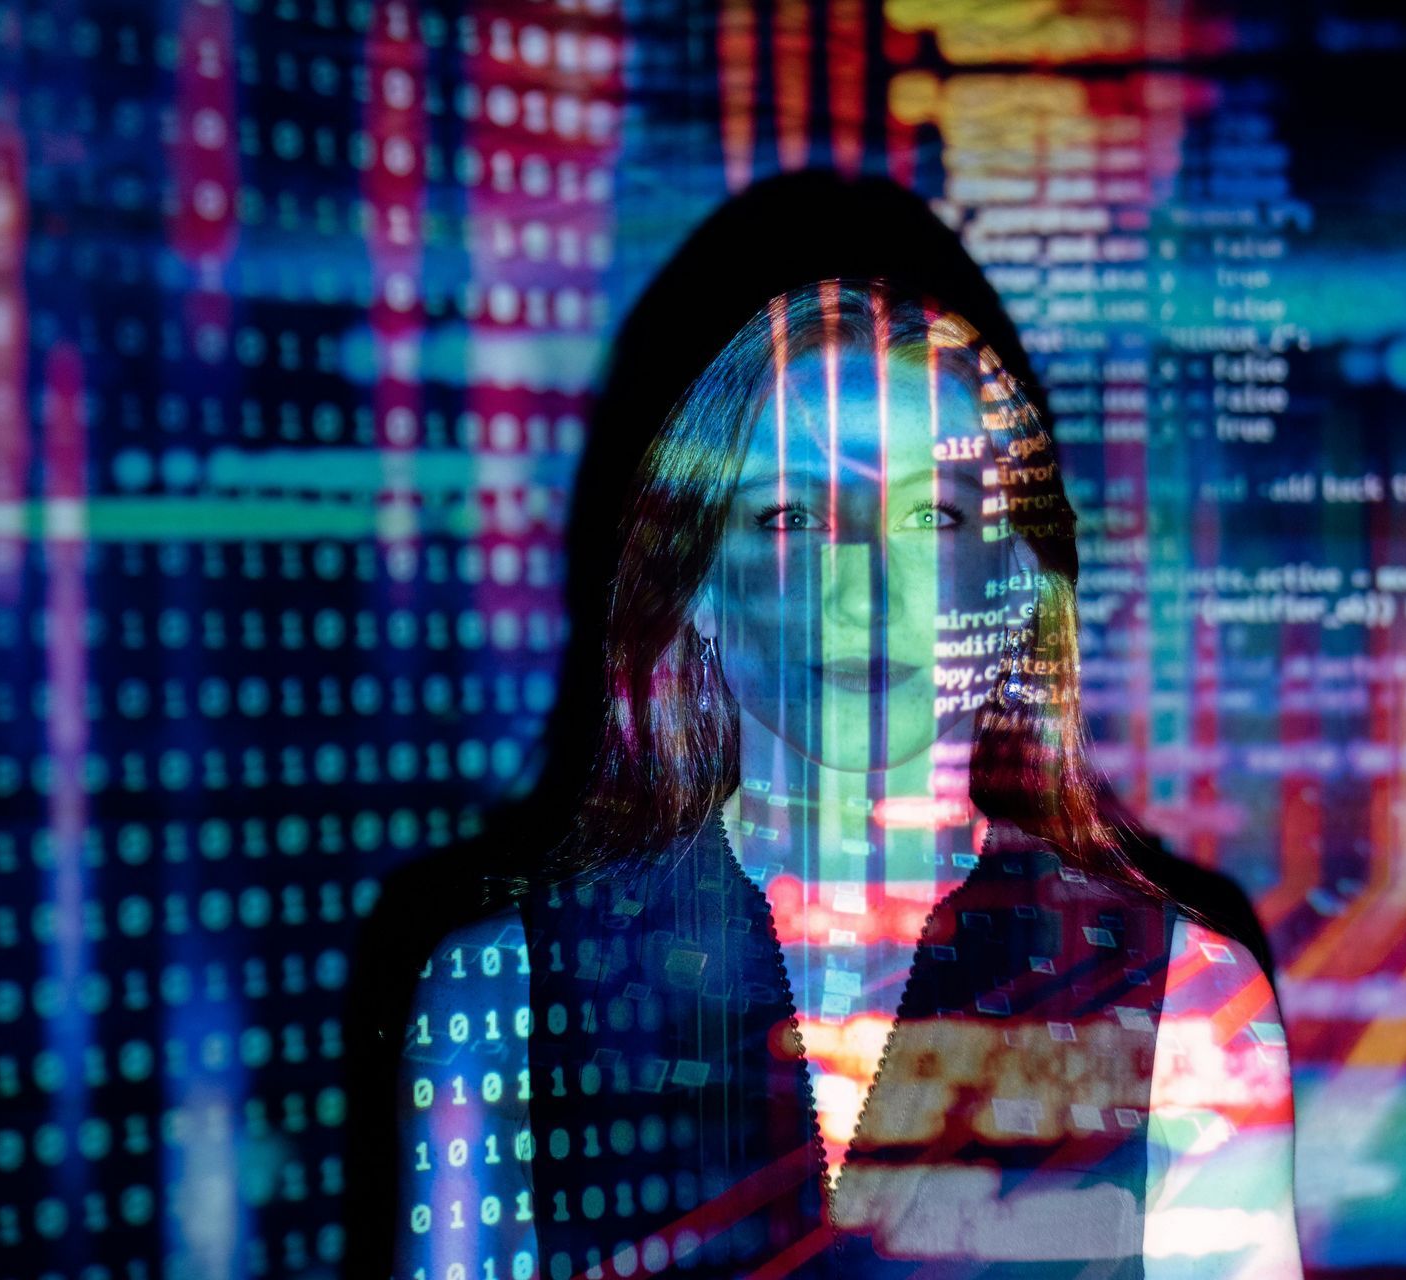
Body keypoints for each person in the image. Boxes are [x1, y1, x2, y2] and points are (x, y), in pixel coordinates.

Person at [388, 278, 1302, 1279]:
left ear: (1017, 585)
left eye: (934, 517)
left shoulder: (1190, 1000)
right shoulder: (504, 993)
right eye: (791, 517)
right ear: (696, 582)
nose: (866, 584)